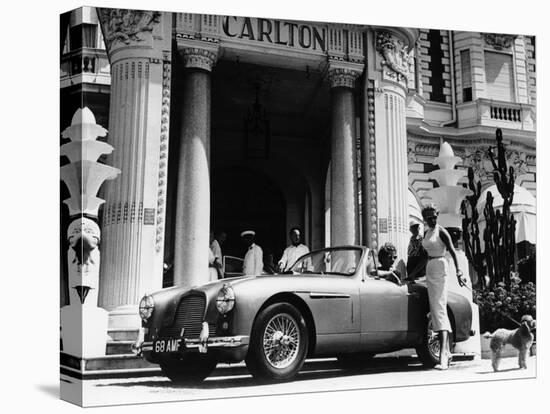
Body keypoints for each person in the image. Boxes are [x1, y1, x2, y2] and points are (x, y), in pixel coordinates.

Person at [421, 204, 467, 370]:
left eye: (434, 216)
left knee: (439, 309)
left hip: (440, 268)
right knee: (435, 310)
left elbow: (453, 252)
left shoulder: (441, 231)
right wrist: (412, 276)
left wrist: (459, 271)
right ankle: (446, 351)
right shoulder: (426, 233)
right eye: (429, 218)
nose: (433, 220)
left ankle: (443, 356)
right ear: (425, 219)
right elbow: (424, 255)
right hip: (430, 268)